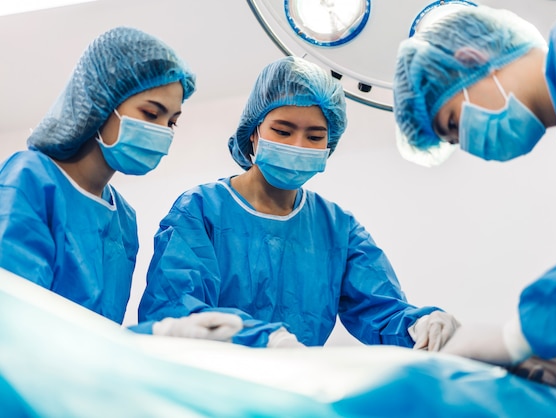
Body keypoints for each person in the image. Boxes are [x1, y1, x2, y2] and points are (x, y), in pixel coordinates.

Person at [136, 56, 460, 348]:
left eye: (315, 136)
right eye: (283, 130)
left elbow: (381, 311)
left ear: (329, 144)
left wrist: (420, 326)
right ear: (254, 132)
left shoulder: (337, 229)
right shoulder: (201, 211)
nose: (298, 144)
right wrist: (262, 341)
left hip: (295, 390)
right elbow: (177, 311)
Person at [392, 1, 556, 383]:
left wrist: (518, 336)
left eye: (453, 123)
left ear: (472, 58)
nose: (466, 143)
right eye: (453, 141)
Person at [0, 26, 241, 341]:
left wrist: (152, 337)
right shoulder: (30, 179)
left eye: (172, 122)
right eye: (151, 113)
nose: (162, 131)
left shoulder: (123, 218)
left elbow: (95, 332)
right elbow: (14, 318)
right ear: (101, 100)